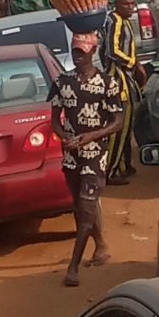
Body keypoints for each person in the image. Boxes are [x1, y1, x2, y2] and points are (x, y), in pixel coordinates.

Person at [49, 28, 126, 285]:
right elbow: (54, 120)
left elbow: (118, 121)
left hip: (95, 154)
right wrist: (63, 137)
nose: (78, 56)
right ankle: (101, 245)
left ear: (93, 51)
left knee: (85, 208)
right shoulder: (62, 82)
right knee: (80, 206)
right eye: (75, 52)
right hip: (72, 156)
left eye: (82, 52)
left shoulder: (107, 83)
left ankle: (73, 268)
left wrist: (92, 136)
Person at [102, 0, 144, 181]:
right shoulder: (115, 21)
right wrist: (133, 63)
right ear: (116, 5)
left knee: (128, 129)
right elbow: (112, 51)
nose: (130, 7)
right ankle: (110, 172)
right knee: (119, 127)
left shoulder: (125, 21)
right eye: (126, 4)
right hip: (117, 81)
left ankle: (124, 165)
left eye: (132, 3)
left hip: (127, 78)